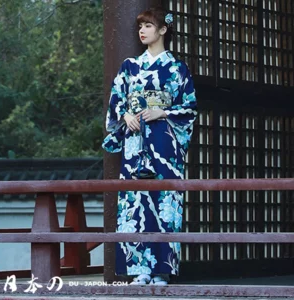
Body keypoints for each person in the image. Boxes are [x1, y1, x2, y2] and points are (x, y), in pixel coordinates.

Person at [102, 7, 197, 285]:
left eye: (148, 26)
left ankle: (162, 270)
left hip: (164, 143)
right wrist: (125, 115)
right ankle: (139, 269)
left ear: (163, 30)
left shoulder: (178, 69)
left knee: (165, 202)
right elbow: (116, 101)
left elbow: (189, 107)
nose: (142, 31)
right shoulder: (130, 66)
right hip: (135, 144)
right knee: (134, 203)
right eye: (140, 26)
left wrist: (163, 113)